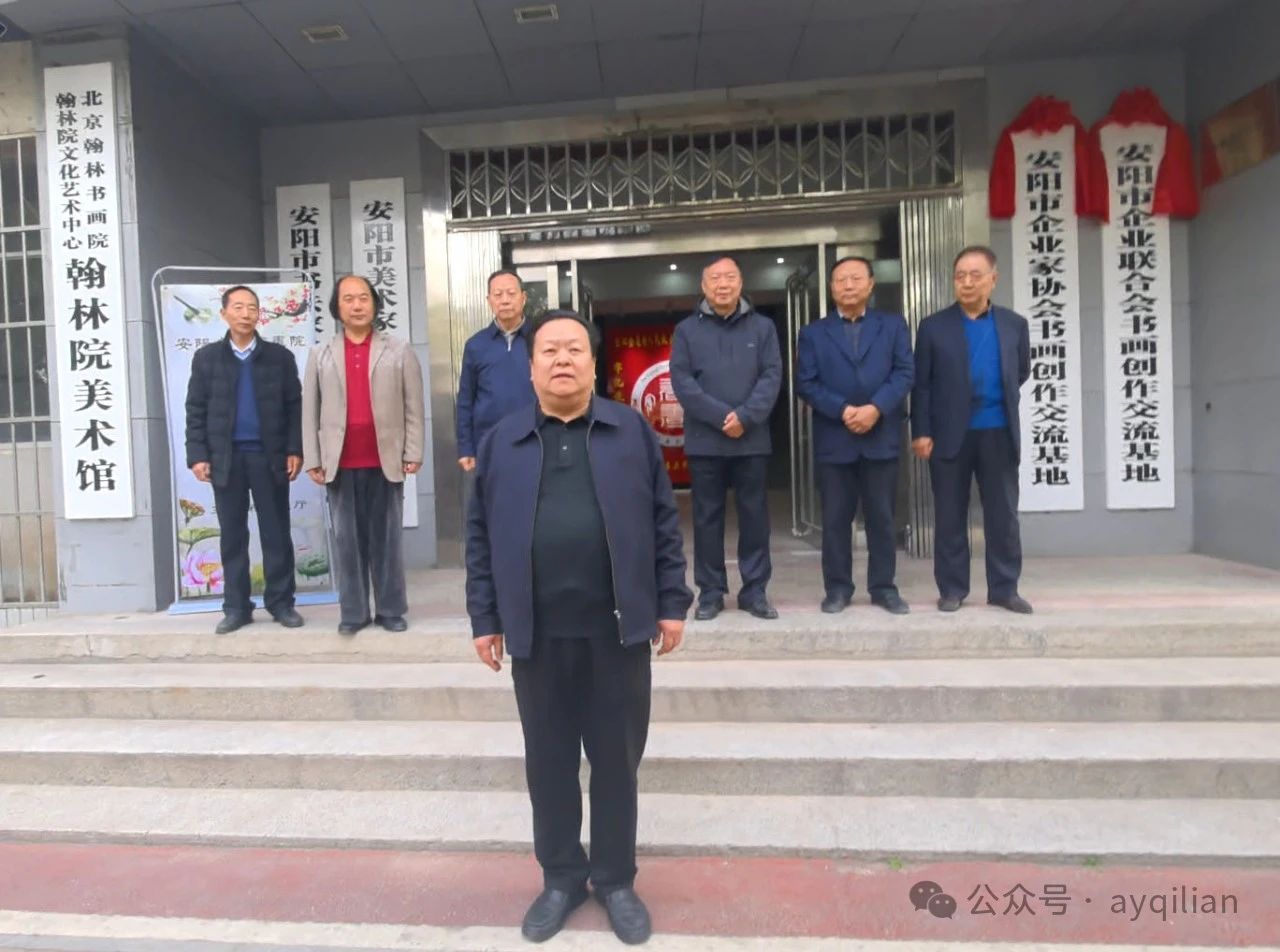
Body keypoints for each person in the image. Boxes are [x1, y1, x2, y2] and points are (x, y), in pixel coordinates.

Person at [465, 310, 691, 946]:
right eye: (549, 351)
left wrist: (671, 601)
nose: (562, 360)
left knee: (617, 763)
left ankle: (616, 879)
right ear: (531, 366)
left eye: (574, 349)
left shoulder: (630, 431)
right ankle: (561, 877)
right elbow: (479, 537)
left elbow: (663, 522)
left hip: (617, 632)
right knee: (550, 764)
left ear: (594, 364)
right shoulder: (503, 441)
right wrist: (485, 617)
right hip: (537, 636)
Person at [911, 245, 1033, 614]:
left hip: (999, 432)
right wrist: (921, 431)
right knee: (950, 515)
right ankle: (952, 588)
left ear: (993, 279)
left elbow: (1020, 371)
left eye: (975, 275)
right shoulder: (933, 327)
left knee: (1003, 516)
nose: (966, 282)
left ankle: (1004, 588)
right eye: (960, 276)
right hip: (950, 435)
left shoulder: (1014, 325)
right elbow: (922, 384)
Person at [302, 274, 425, 635]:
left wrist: (413, 450)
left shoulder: (398, 351)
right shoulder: (320, 354)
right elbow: (309, 411)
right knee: (347, 543)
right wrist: (313, 458)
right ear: (336, 308)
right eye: (348, 299)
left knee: (387, 541)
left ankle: (391, 610)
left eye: (363, 298)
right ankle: (353, 613)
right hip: (340, 463)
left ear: (374, 304)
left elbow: (413, 406)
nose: (357, 305)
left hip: (386, 460)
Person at [795, 256, 914, 615]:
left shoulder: (892, 325)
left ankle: (883, 587)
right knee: (835, 521)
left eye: (855, 278)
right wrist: (843, 410)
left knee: (882, 519)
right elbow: (806, 383)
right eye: (841, 280)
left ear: (871, 284)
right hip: (836, 438)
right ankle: (837, 589)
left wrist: (876, 407)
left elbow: (904, 373)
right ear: (831, 288)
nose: (848, 285)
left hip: (881, 436)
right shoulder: (813, 333)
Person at [184, 285, 304, 634]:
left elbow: (294, 407)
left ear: (259, 315)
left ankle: (281, 603)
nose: (246, 313)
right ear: (224, 314)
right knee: (233, 535)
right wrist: (197, 455)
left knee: (276, 532)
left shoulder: (279, 357)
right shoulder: (207, 358)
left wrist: (295, 449)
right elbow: (195, 409)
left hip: (269, 457)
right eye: (238, 307)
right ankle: (237, 607)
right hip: (227, 458)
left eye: (252, 307)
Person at [669, 255, 782, 621]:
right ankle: (711, 592)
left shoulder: (763, 328)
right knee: (706, 518)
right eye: (715, 278)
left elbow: (772, 376)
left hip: (751, 438)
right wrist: (721, 418)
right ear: (703, 286)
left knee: (754, 517)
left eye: (729, 277)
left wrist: (745, 417)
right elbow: (683, 382)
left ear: (740, 282)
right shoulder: (686, 331)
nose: (722, 284)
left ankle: (755, 590)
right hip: (706, 440)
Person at [455, 269, 536, 473]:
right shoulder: (476, 345)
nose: (505, 300)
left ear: (523, 298)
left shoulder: (540, 339)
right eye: (498, 294)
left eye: (511, 293)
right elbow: (465, 400)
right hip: (489, 443)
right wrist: (466, 447)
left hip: (536, 439)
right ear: (489, 300)